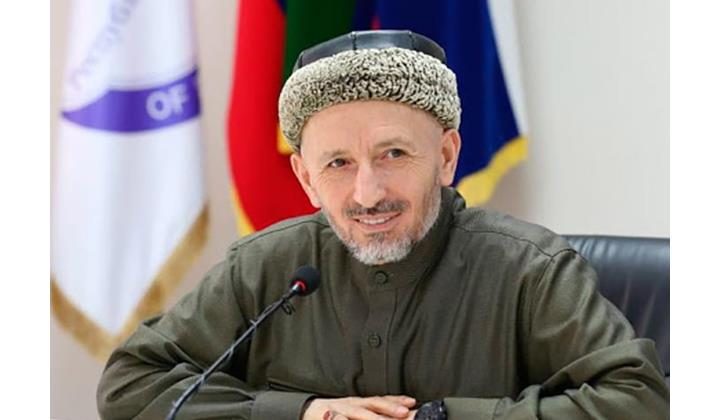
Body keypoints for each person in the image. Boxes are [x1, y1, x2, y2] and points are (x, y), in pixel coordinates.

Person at [97, 30, 669, 420]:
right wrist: (303, 412)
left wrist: (444, 416)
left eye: (393, 154)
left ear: (446, 157)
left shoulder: (529, 270)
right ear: (305, 178)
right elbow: (131, 382)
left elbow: (640, 399)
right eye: (338, 164)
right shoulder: (265, 268)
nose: (367, 194)